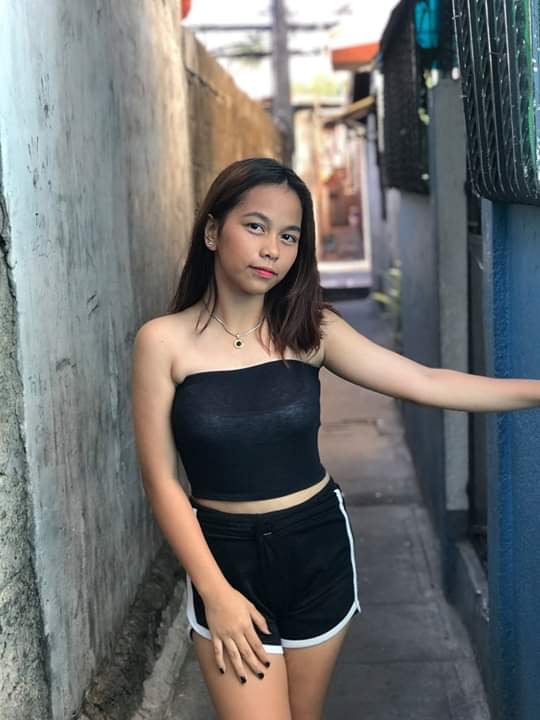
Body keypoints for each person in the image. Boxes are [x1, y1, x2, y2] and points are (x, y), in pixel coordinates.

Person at [130, 157, 540, 720]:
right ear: (212, 232)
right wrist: (217, 593)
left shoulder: (310, 330)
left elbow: (426, 382)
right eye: (255, 226)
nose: (272, 249)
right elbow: (161, 482)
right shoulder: (163, 342)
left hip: (316, 547)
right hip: (224, 560)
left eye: (289, 236)